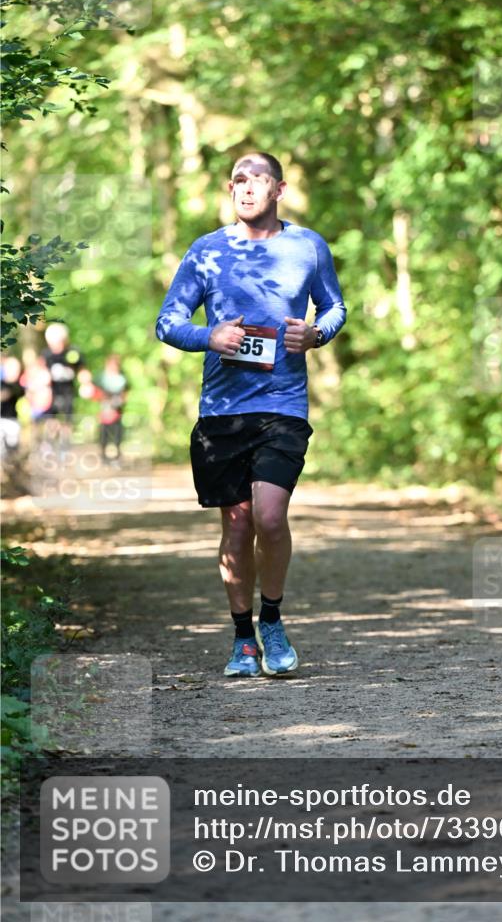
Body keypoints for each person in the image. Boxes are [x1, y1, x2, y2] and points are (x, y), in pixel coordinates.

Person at [156, 152, 346, 677]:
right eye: (237, 180)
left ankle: (273, 618)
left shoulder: (307, 247)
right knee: (237, 527)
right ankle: (242, 639)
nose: (244, 188)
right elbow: (168, 322)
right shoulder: (206, 251)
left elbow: (334, 307)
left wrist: (317, 333)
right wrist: (208, 336)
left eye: (255, 180)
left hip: (283, 404)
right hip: (222, 411)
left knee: (269, 516)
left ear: (278, 189)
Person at [92, 354, 128, 464]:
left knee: (117, 433)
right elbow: (95, 391)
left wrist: (119, 401)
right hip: (105, 409)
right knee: (104, 433)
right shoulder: (101, 378)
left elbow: (125, 394)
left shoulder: (122, 379)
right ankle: (103, 455)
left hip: (117, 410)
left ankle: (117, 455)